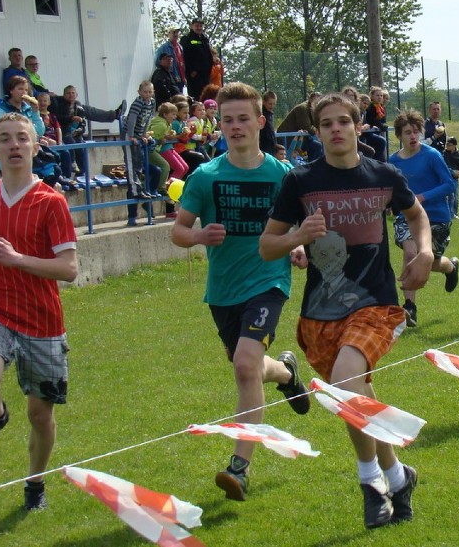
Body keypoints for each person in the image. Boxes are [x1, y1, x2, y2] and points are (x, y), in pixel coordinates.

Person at [261, 93, 432, 530]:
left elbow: (417, 217)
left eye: (343, 122)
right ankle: (398, 474)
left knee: (345, 384)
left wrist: (426, 253)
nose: (336, 129)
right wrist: (298, 235)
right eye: (326, 124)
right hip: (321, 313)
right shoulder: (299, 182)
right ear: (316, 132)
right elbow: (268, 246)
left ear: (359, 126)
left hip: (376, 305)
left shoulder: (384, 175)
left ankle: (369, 481)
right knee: (355, 395)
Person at [171, 82, 310, 502]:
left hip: (269, 280)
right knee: (248, 365)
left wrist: (298, 245)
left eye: (243, 118)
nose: (235, 127)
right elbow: (178, 231)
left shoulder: (281, 175)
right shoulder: (206, 176)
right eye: (227, 120)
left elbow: (296, 224)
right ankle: (286, 372)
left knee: (244, 365)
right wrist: (197, 236)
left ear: (260, 122)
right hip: (223, 289)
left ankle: (240, 467)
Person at [0, 112, 78, 511]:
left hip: (41, 318)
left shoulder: (51, 202)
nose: (14, 145)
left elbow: (69, 269)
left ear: (36, 146)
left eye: (22, 138)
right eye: (5, 139)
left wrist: (17, 259)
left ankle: (34, 483)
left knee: (40, 414)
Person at [389, 109, 459, 327]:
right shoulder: (393, 161)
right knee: (411, 252)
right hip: (406, 216)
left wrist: (422, 197)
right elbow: (390, 189)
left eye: (416, 132)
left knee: (428, 261)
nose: (413, 136)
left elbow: (449, 185)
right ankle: (409, 307)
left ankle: (450, 267)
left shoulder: (432, 155)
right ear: (399, 135)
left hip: (436, 216)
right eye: (408, 132)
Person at [180, 18, 214, 100]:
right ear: (192, 26)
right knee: (196, 97)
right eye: (196, 26)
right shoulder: (187, 39)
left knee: (206, 96)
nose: (199, 28)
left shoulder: (204, 37)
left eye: (201, 26)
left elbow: (208, 52)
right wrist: (191, 70)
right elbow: (184, 56)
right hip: (194, 75)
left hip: (205, 74)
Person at [154, 26, 186, 91]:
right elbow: (157, 62)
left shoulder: (180, 47)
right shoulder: (163, 48)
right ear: (168, 34)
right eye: (174, 32)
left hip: (181, 80)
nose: (176, 34)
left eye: (177, 32)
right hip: (170, 80)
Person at [443, 136, 459, 218]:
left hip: (455, 178)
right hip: (447, 177)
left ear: (454, 145)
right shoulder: (444, 153)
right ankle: (450, 214)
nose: (447, 146)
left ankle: (455, 214)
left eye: (449, 144)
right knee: (450, 196)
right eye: (447, 144)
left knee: (455, 197)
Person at [260, 91, 278, 156]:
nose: (272, 106)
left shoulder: (270, 114)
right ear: (264, 102)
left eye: (274, 104)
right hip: (263, 143)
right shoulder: (261, 113)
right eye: (270, 104)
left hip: (270, 143)